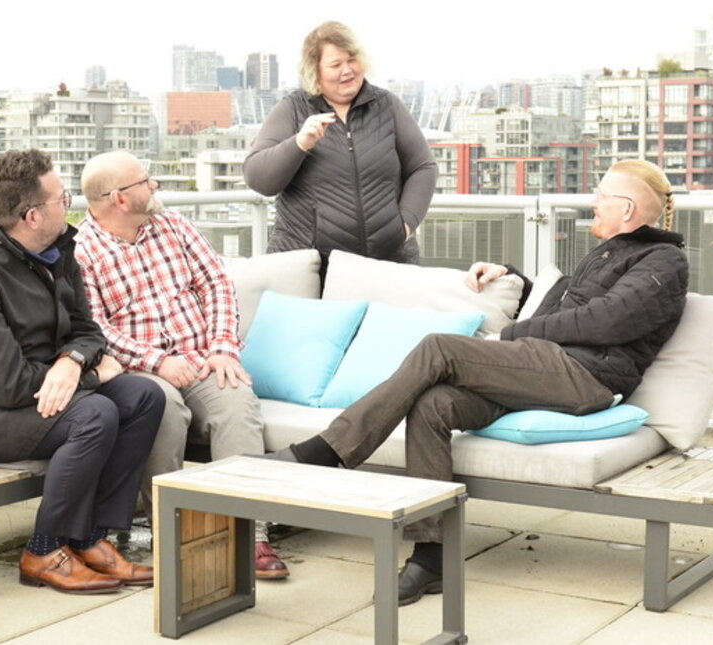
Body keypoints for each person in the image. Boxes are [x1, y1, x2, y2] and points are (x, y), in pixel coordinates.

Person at [265, 160, 688, 605]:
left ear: (626, 210)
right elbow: (564, 307)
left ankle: (325, 453)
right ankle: (433, 556)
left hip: (586, 377)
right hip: (546, 370)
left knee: (440, 347)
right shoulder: (609, 252)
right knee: (433, 404)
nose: (592, 203)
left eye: (600, 195)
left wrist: (511, 333)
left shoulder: (663, 261)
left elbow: (606, 321)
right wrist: (511, 277)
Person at [0, 149, 165, 595]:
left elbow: (89, 331)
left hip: (35, 392)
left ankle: (91, 539)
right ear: (32, 216)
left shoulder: (56, 251)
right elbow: (7, 386)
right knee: (95, 415)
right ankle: (44, 550)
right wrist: (89, 377)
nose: (68, 204)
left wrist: (71, 361)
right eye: (61, 197)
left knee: (144, 397)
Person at [74, 151, 289, 579]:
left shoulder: (173, 225)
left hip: (203, 358)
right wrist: (157, 362)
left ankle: (251, 536)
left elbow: (217, 284)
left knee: (237, 402)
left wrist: (224, 347)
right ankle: (173, 533)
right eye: (145, 181)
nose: (154, 187)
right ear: (118, 198)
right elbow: (94, 328)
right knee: (161, 410)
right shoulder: (81, 252)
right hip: (140, 371)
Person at [243, 20, 437, 275]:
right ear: (315, 70)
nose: (347, 70)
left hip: (387, 264)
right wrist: (299, 143)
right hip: (312, 270)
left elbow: (423, 167)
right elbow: (259, 178)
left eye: (352, 59)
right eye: (335, 65)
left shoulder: (386, 105)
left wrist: (405, 225)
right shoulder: (293, 110)